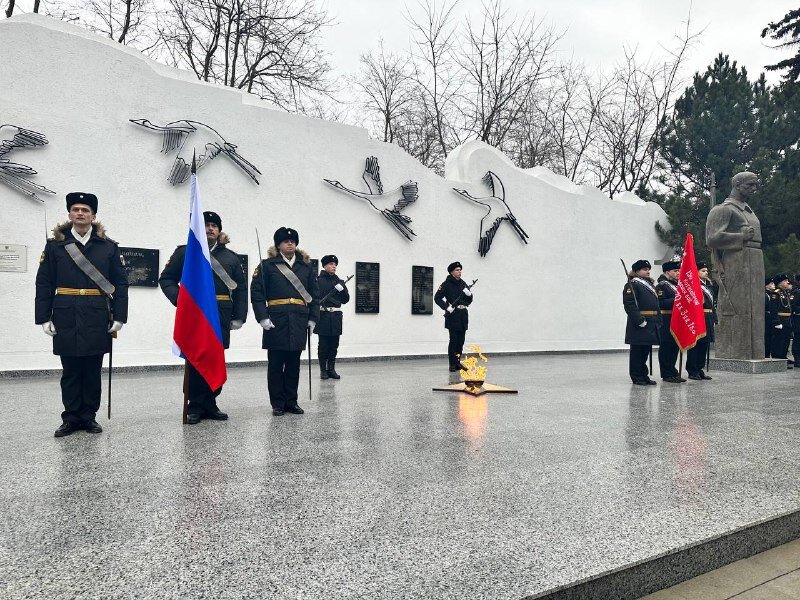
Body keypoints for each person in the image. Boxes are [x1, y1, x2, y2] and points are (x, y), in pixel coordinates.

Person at [35, 192, 129, 437]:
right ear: (69, 214)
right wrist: (44, 317)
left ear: (93, 215)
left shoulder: (108, 247)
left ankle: (88, 417)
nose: (80, 213)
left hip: (97, 315)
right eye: (75, 209)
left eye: (85, 210)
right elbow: (44, 283)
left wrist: (119, 316)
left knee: (92, 369)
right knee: (70, 370)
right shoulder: (55, 246)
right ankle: (70, 417)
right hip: (65, 313)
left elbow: (121, 283)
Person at [159, 211, 247, 424]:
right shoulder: (186, 253)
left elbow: (241, 289)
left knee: (216, 360)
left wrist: (239, 317)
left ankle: (211, 403)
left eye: (214, 226)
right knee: (196, 360)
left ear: (219, 230)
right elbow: (167, 279)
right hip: (195, 314)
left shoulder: (231, 258)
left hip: (220, 315)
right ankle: (195, 405)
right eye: (206, 225)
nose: (210, 229)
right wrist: (181, 300)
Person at [251, 227, 319, 415]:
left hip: (298, 319)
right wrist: (262, 317)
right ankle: (277, 404)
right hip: (276, 320)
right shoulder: (267, 265)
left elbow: (314, 294)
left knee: (293, 365)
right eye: (285, 241)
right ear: (278, 244)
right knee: (275, 364)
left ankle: (291, 401)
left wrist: (313, 318)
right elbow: (257, 293)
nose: (290, 243)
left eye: (293, 241)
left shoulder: (306, 267)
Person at [706, 172, 765, 359]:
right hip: (736, 260)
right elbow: (712, 239)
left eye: (756, 185)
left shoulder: (748, 210)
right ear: (737, 185)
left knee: (755, 307)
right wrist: (740, 236)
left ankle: (755, 352)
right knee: (738, 306)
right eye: (750, 185)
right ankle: (735, 352)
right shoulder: (724, 209)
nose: (754, 189)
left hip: (755, 258)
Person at [623, 259, 661, 385]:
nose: (648, 271)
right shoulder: (632, 284)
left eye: (648, 269)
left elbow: (656, 305)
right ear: (637, 271)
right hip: (640, 323)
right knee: (637, 351)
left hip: (651, 322)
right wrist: (639, 320)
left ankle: (644, 375)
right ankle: (637, 376)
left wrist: (658, 321)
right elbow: (630, 305)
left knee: (645, 350)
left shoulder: (648, 284)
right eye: (645, 269)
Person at [434, 261, 474, 372]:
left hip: (462, 315)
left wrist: (469, 295)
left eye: (460, 270)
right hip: (453, 315)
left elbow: (469, 300)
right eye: (457, 270)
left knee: (461, 341)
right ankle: (452, 363)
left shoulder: (463, 283)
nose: (459, 271)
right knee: (454, 340)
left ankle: (458, 362)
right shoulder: (446, 284)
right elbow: (437, 298)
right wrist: (446, 307)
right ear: (452, 272)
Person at [315, 254, 350, 380]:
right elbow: (315, 298)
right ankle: (323, 370)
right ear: (324, 266)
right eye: (331, 264)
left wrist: (342, 290)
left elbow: (346, 300)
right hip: (323, 315)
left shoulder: (339, 281)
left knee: (334, 344)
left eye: (335, 265)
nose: (333, 266)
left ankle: (332, 369)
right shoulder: (318, 281)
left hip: (335, 316)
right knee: (323, 345)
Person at [656, 260, 686, 383]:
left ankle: (672, 370)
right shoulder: (662, 285)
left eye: (679, 270)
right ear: (667, 272)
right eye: (675, 271)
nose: (678, 273)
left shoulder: (677, 285)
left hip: (677, 319)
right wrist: (677, 299)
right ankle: (666, 373)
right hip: (666, 319)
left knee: (674, 346)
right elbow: (660, 303)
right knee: (666, 347)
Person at [686, 262, 715, 380]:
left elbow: (712, 304)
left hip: (708, 316)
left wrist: (714, 318)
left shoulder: (708, 285)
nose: (706, 272)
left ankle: (699, 368)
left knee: (705, 344)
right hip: (698, 316)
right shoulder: (693, 284)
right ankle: (692, 370)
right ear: (696, 272)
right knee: (695, 345)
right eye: (703, 270)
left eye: (706, 271)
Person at [769, 274, 793, 366]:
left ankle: (783, 358)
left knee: (786, 341)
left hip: (787, 320)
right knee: (779, 341)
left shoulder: (786, 293)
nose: (787, 282)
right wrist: (776, 321)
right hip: (780, 320)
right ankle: (777, 359)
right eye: (785, 281)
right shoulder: (776, 293)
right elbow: (773, 309)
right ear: (780, 283)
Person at [765, 277, 776, 358]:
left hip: (771, 317)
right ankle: (766, 354)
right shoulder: (765, 295)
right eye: (771, 284)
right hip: (767, 318)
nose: (773, 285)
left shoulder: (772, 294)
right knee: (767, 337)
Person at [792, 275, 800, 366]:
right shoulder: (796, 292)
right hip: (797, 319)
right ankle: (797, 359)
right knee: (797, 339)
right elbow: (793, 306)